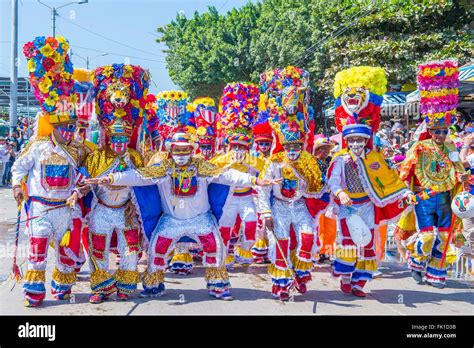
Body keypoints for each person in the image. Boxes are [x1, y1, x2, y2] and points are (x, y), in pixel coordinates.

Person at [86, 131, 278, 301]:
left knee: (215, 248)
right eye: (176, 150)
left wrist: (255, 180)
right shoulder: (163, 168)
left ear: (191, 151)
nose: (180, 155)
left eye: (185, 150)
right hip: (171, 221)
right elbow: (137, 176)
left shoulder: (201, 167)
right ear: (171, 151)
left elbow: (226, 175)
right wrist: (110, 178)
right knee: (155, 251)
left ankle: (218, 285)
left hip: (201, 219)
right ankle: (153, 285)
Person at [12, 36, 89, 307]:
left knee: (67, 252)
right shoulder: (37, 146)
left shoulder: (78, 150)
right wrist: (17, 187)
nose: (68, 131)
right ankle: (34, 292)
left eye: (71, 126)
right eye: (63, 126)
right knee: (38, 250)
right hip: (41, 208)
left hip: (66, 210)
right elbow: (18, 168)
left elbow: (85, 177)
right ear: (52, 125)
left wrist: (80, 190)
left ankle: (62, 287)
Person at [327, 66, 412, 297]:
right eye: (352, 139)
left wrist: (404, 194)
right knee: (348, 242)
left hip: (367, 206)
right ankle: (345, 277)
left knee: (366, 244)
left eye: (360, 140)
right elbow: (333, 181)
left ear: (366, 140)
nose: (356, 144)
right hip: (347, 207)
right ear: (347, 140)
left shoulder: (374, 157)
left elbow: (389, 180)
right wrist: (340, 193)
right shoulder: (340, 159)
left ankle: (359, 283)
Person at [82, 64, 150, 304]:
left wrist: (136, 204)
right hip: (101, 210)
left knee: (130, 249)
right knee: (98, 248)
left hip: (125, 212)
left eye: (123, 138)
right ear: (108, 137)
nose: (119, 142)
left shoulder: (135, 157)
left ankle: (125, 286)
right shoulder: (96, 157)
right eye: (115, 138)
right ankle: (100, 287)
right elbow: (85, 184)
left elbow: (143, 183)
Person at [257, 66, 325, 301]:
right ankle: (282, 283)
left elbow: (317, 187)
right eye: (289, 147)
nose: (293, 151)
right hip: (279, 206)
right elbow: (263, 188)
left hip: (299, 206)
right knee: (281, 243)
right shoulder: (274, 162)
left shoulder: (308, 160)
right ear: (283, 146)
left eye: (297, 146)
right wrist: (265, 212)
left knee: (308, 238)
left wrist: (319, 182)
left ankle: (301, 273)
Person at [400, 60, 468, 289]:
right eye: (436, 131)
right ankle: (416, 261)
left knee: (445, 237)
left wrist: (464, 179)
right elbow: (406, 171)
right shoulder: (419, 147)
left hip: (447, 198)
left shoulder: (451, 148)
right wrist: (407, 191)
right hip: (425, 197)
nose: (440, 134)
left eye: (444, 130)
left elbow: (459, 171)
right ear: (429, 130)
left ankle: (436, 272)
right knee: (428, 236)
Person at [210, 83, 265, 268]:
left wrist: (247, 161)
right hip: (229, 199)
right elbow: (210, 171)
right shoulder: (222, 159)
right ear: (230, 146)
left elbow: (265, 168)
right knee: (225, 227)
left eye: (242, 146)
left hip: (247, 198)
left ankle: (245, 250)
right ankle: (225, 254)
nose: (238, 149)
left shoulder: (252, 159)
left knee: (250, 224)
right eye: (236, 146)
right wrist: (230, 162)